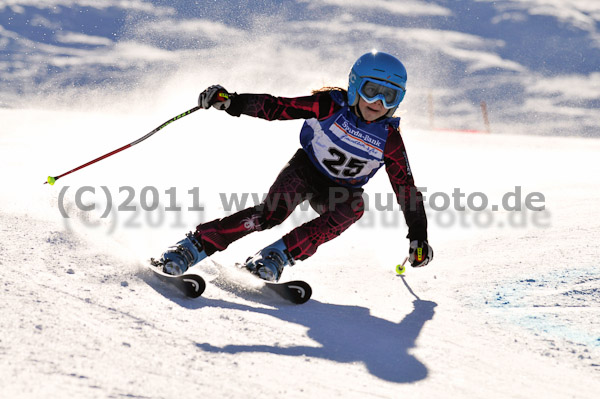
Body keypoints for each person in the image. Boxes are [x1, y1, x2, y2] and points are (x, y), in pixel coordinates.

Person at [156, 50, 433, 281]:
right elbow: (276, 107)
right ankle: (195, 245)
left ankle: (277, 255)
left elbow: (405, 189)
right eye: (371, 91)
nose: (378, 102)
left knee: (354, 208)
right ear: (355, 85)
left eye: (390, 96)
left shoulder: (389, 139)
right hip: (305, 171)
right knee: (270, 215)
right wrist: (232, 101)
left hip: (339, 193)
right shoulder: (329, 106)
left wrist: (418, 236)